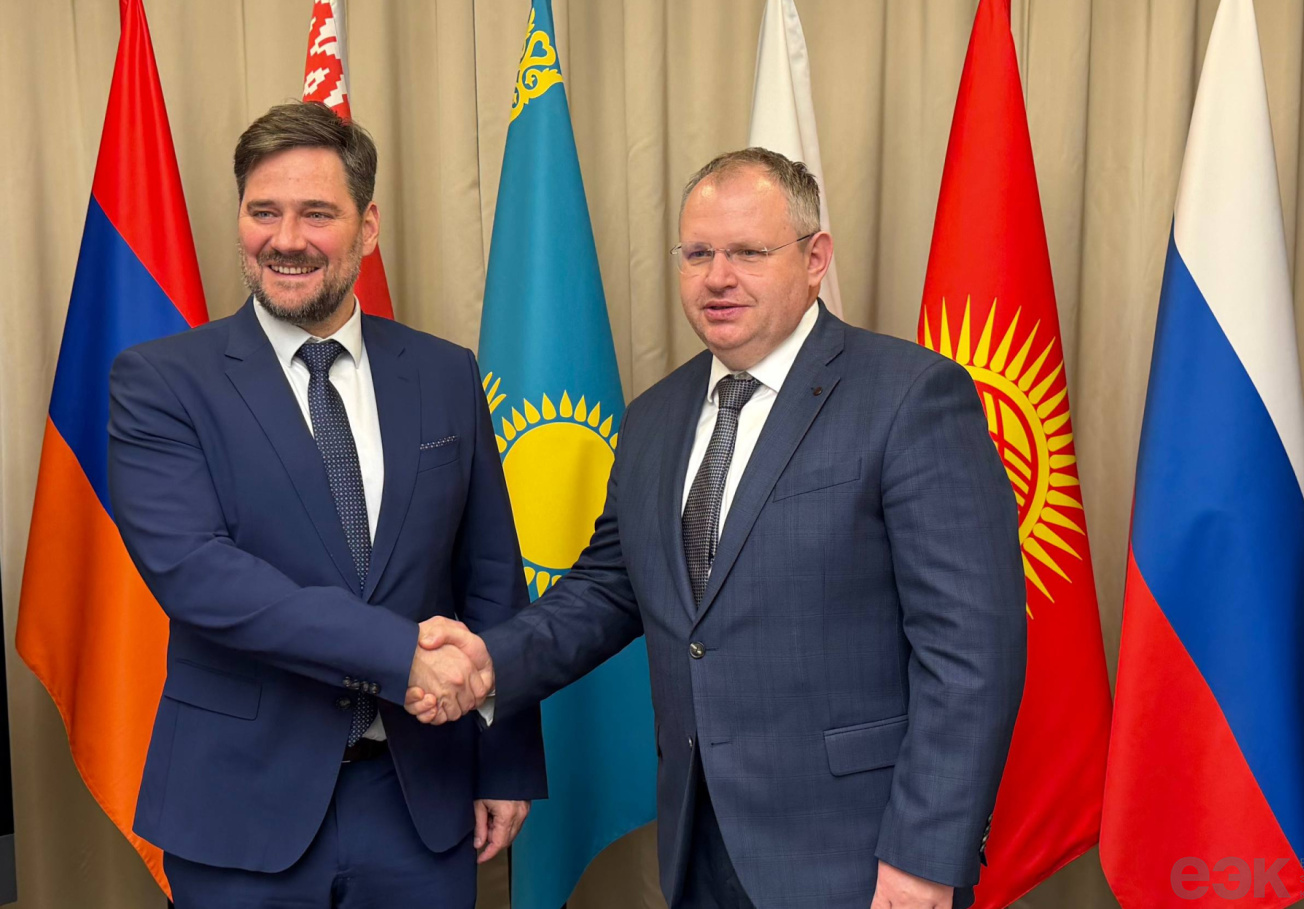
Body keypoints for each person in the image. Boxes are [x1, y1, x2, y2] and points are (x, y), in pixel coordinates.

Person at [411, 148, 1027, 909]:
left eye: (748, 252)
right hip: (698, 841)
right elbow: (607, 589)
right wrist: (485, 660)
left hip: (860, 856)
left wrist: (925, 857)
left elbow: (971, 651)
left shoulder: (911, 398)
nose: (717, 277)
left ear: (815, 259)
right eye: (698, 253)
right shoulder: (653, 418)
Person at [107, 101, 544, 908]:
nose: (286, 239)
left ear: (367, 227)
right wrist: (402, 652)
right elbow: (200, 576)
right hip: (241, 808)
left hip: (422, 804)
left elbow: (490, 575)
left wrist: (506, 758)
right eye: (262, 212)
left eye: (317, 213)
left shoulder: (445, 373)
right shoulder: (162, 381)